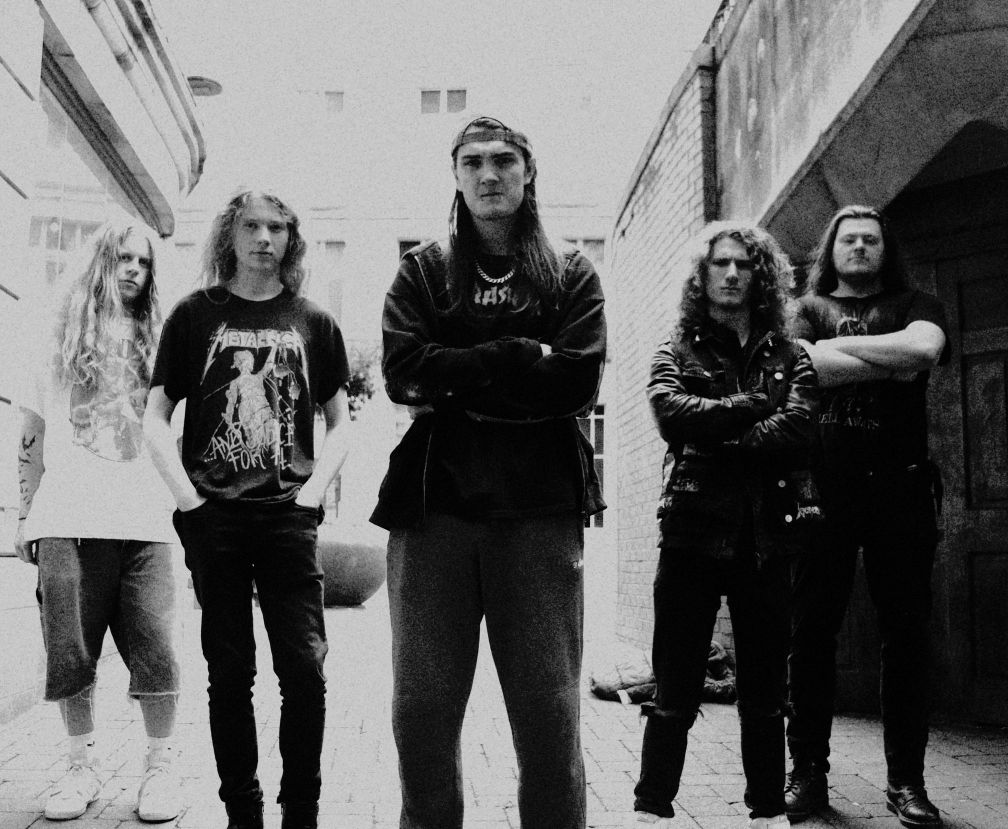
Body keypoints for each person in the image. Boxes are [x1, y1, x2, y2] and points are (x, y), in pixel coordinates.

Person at [371, 116, 607, 829]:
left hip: (538, 510)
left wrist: (455, 379)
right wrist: (515, 355)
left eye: (504, 160)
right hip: (434, 508)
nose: (488, 174)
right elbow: (404, 373)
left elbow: (574, 383)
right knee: (422, 709)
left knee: (548, 712)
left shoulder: (570, 272)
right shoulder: (423, 271)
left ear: (528, 172)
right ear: (455, 175)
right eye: (471, 162)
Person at [143, 188, 350, 829]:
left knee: (305, 672)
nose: (265, 238)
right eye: (252, 226)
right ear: (230, 234)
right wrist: (189, 500)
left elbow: (340, 421)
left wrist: (311, 496)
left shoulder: (313, 321)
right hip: (216, 520)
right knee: (229, 675)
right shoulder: (193, 315)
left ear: (291, 238)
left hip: (288, 518)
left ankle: (301, 811)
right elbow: (155, 416)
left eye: (277, 227)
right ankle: (243, 813)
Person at [633, 223, 822, 829]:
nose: (733, 273)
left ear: (762, 275)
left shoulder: (791, 355)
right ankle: (652, 808)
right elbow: (670, 413)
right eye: (721, 263)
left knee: (765, 689)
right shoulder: (676, 348)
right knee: (674, 684)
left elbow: (799, 427)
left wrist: (720, 433)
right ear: (703, 274)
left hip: (768, 535)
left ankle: (766, 810)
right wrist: (750, 408)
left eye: (744, 264)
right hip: (692, 530)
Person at [785, 205, 948, 828]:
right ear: (831, 248)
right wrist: (889, 359)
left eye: (870, 239)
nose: (859, 246)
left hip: (900, 491)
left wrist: (834, 351)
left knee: (905, 637)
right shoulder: (804, 309)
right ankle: (807, 773)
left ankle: (907, 782)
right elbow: (800, 366)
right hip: (820, 492)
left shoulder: (917, 303)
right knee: (810, 634)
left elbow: (924, 350)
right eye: (848, 238)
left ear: (885, 248)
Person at [15, 221, 181, 822]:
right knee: (71, 653)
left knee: (157, 652)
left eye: (144, 261)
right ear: (99, 264)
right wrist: (24, 513)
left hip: (146, 524)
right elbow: (32, 434)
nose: (134, 269)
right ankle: (78, 767)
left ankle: (159, 767)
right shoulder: (56, 338)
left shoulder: (163, 344)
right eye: (122, 258)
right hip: (68, 519)